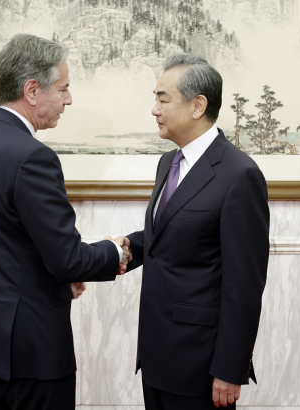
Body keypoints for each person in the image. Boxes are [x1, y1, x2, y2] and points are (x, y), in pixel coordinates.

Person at [0, 34, 130, 410]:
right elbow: (68, 260)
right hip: (29, 347)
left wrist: (60, 276)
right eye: (63, 88)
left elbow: (5, 242)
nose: (69, 99)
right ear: (32, 90)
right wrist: (114, 252)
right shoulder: (33, 157)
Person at [110, 55, 270, 409]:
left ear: (198, 106)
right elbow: (170, 234)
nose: (154, 110)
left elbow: (244, 285)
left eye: (163, 99)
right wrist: (127, 246)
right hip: (156, 355)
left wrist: (230, 368)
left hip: (200, 363)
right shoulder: (168, 162)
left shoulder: (239, 174)